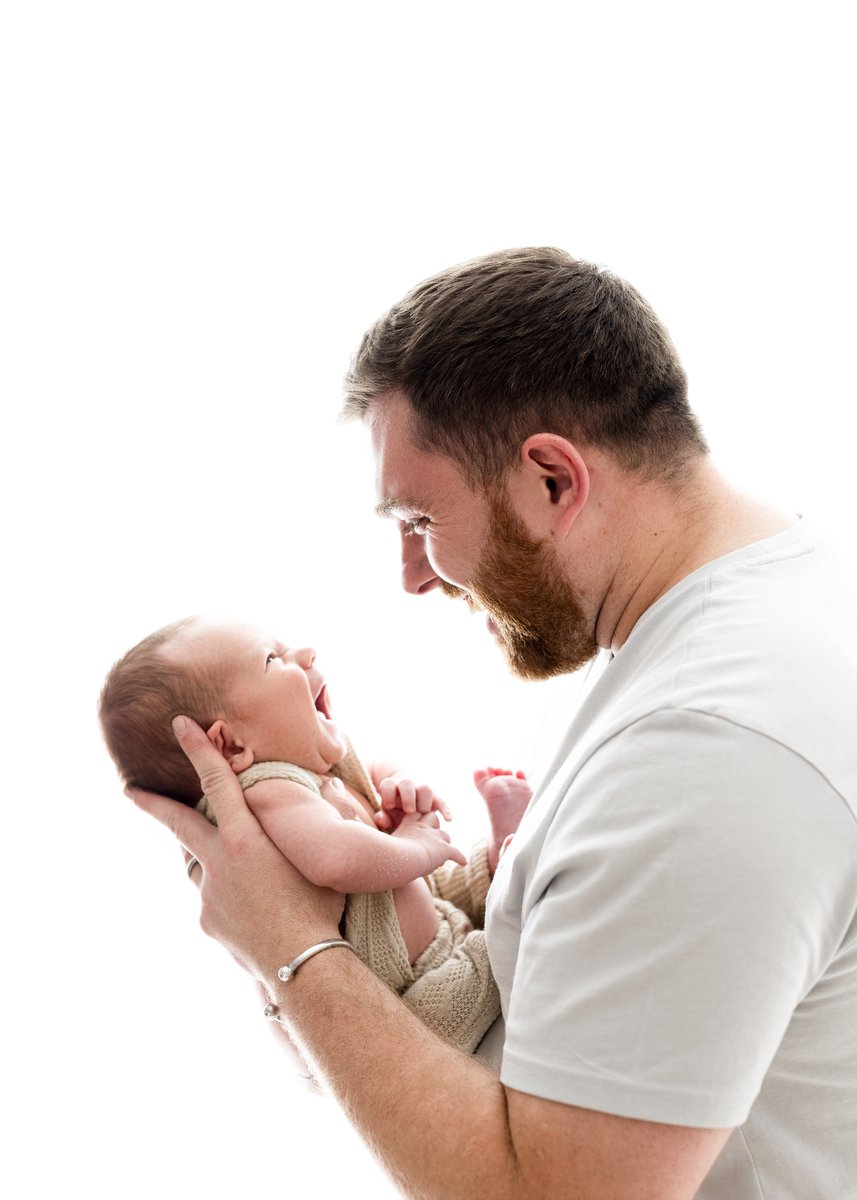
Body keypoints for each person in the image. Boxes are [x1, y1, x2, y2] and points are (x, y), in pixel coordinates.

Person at [130, 249, 857, 1199]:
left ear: (552, 478)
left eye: (420, 518)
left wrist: (286, 945)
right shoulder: (776, 599)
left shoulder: (705, 748)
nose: (413, 574)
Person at [101, 615, 532, 1057]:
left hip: (425, 919)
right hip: (412, 996)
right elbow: (335, 860)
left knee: (447, 882)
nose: (305, 654)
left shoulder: (306, 762)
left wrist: (395, 782)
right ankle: (510, 897)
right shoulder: (266, 790)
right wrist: (417, 846)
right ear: (231, 746)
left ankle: (498, 861)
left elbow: (365, 776)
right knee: (496, 954)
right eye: (273, 659)